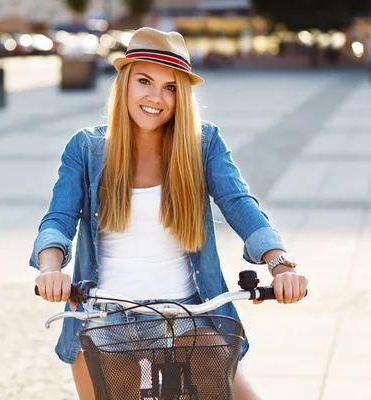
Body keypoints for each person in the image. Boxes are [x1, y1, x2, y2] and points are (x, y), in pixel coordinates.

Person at [30, 27, 309, 400]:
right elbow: (58, 220)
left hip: (189, 316)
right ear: (125, 82)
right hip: (105, 320)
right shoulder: (86, 148)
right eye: (145, 81)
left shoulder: (203, 144)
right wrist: (51, 270)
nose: (155, 97)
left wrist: (280, 264)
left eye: (170, 87)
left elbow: (239, 203)